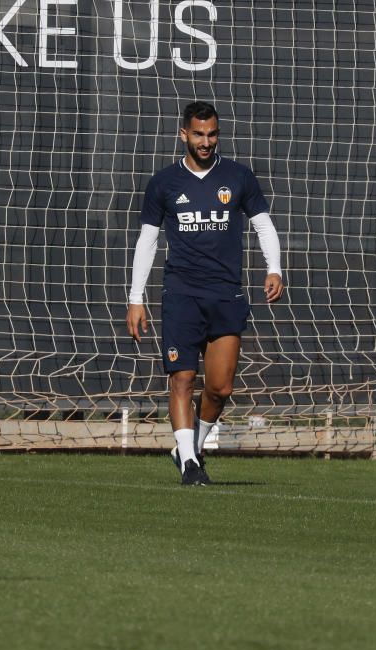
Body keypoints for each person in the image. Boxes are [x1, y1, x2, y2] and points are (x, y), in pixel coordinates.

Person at [126, 101, 283, 486]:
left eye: (211, 134)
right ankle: (190, 467)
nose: (205, 141)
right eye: (198, 134)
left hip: (226, 294)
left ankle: (188, 448)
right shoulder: (164, 183)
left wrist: (274, 268)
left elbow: (264, 225)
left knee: (220, 387)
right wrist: (135, 298)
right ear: (184, 134)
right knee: (182, 378)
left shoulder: (238, 177)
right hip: (181, 293)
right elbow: (147, 241)